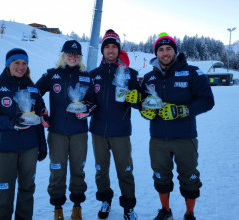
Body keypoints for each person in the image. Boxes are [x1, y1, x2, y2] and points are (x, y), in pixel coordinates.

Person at [138, 33, 215, 220]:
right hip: (158, 139)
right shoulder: (148, 78)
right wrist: (144, 111)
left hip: (184, 137)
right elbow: (143, 104)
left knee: (189, 178)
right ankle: (166, 211)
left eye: (168, 49)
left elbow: (207, 101)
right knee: (160, 177)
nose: (165, 53)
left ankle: (189, 213)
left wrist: (183, 111)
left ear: (175, 50)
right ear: (156, 53)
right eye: (160, 50)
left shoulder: (192, 72)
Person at [0, 48, 48, 220]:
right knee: (4, 193)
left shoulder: (33, 88)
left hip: (29, 149)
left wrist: (42, 145)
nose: (21, 67)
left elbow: (40, 117)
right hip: (4, 149)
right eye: (16, 63)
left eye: (24, 63)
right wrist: (11, 123)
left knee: (27, 190)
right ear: (8, 64)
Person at [35, 40, 95, 220]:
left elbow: (93, 102)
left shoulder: (86, 76)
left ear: (80, 57)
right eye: (69, 53)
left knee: (78, 170)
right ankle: (58, 208)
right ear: (63, 55)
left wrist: (86, 110)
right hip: (57, 132)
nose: (72, 57)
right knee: (57, 171)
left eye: (76, 54)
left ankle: (77, 206)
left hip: (79, 133)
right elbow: (34, 92)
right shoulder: (51, 75)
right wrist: (42, 112)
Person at [89, 29, 141, 220]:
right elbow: (87, 101)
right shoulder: (93, 75)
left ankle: (128, 206)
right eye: (107, 47)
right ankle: (105, 200)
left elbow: (139, 103)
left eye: (114, 47)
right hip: (98, 132)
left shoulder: (130, 74)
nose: (111, 50)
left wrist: (135, 99)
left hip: (121, 132)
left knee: (125, 171)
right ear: (102, 50)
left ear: (119, 50)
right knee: (101, 170)